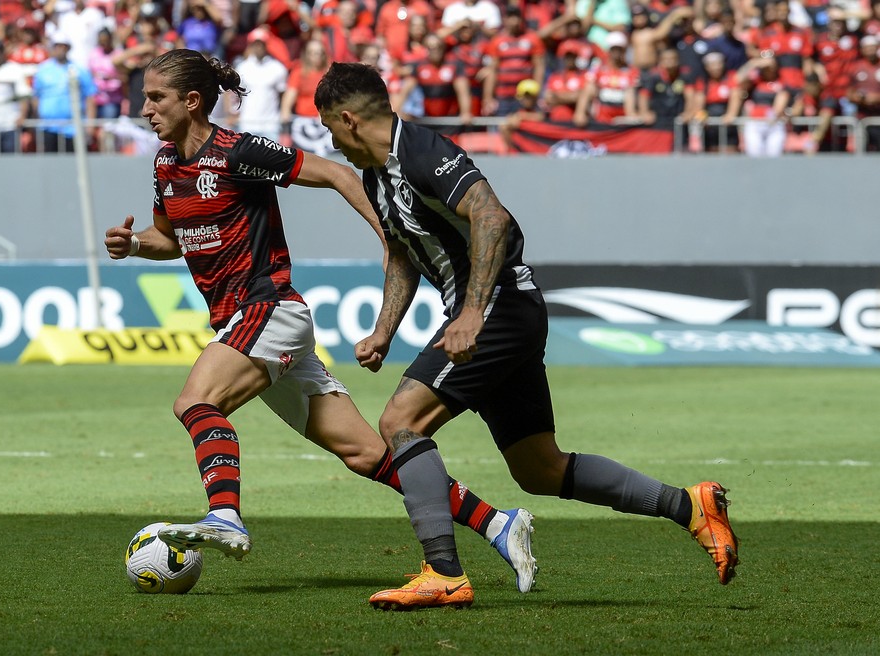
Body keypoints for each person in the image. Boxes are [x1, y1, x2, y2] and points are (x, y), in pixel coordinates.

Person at [103, 48, 538, 606]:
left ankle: (225, 515)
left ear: (191, 101)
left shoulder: (239, 151)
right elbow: (169, 239)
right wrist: (135, 245)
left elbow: (335, 172)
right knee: (366, 454)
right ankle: (498, 523)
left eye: (155, 97)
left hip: (268, 309)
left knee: (195, 401)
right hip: (245, 322)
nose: (145, 109)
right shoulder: (166, 165)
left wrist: (390, 236)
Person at [313, 61, 739, 609]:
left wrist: (472, 313)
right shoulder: (378, 176)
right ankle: (690, 506)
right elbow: (401, 252)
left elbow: (491, 216)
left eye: (329, 127)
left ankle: (444, 573)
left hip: (500, 307)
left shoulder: (419, 150)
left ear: (348, 119)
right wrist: (383, 330)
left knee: (401, 421)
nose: (332, 141)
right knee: (539, 467)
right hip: (499, 313)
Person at [31, 32, 98, 153]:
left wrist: (90, 126)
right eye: (57, 46)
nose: (60, 49)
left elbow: (90, 98)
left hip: (73, 128)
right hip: (48, 127)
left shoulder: (79, 69)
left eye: (63, 46)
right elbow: (36, 97)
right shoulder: (42, 70)